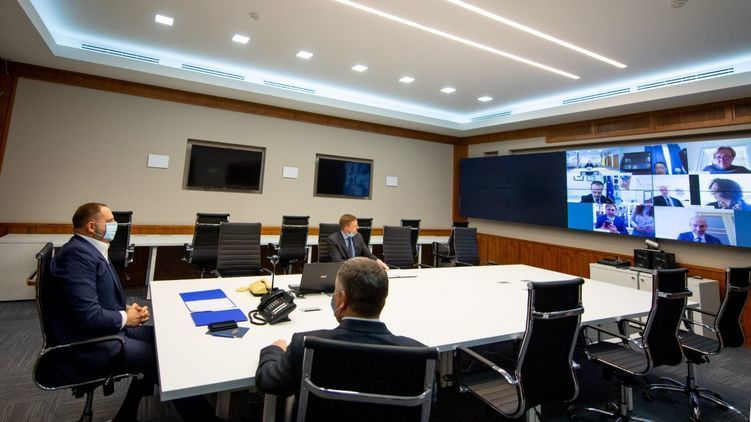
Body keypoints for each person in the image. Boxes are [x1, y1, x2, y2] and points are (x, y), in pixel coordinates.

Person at [49, 203, 217, 421]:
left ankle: (127, 415)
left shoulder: (89, 249)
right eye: (110, 221)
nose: (116, 225)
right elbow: (87, 316)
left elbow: (94, 298)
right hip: (91, 343)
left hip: (106, 331)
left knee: (166, 340)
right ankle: (204, 418)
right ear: (91, 226)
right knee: (165, 360)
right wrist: (125, 318)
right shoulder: (77, 256)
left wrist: (126, 310)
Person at [255, 257, 424, 397]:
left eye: (334, 292)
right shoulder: (419, 355)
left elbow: (269, 381)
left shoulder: (305, 345)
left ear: (342, 299)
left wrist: (274, 350)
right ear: (383, 297)